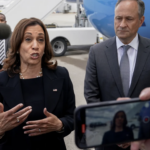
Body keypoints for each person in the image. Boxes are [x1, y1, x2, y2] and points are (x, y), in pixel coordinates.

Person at [0, 17, 75, 150]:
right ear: (17, 46)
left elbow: (72, 117)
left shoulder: (61, 75)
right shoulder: (2, 80)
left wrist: (60, 125)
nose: (35, 45)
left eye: (40, 40)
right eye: (28, 39)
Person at [84, 0, 150, 149]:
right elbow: (91, 96)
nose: (122, 24)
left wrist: (135, 131)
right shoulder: (97, 52)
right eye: (118, 18)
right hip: (107, 140)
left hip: (143, 141)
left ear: (141, 21)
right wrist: (114, 130)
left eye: (129, 19)